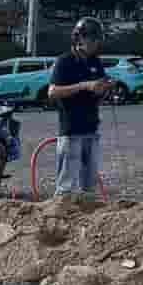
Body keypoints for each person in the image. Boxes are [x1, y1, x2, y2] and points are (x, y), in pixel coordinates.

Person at [44, 18, 113, 198]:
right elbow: (52, 92)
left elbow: (97, 92)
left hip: (91, 127)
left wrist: (103, 89)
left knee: (89, 187)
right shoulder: (64, 62)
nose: (96, 43)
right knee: (66, 186)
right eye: (93, 39)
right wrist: (84, 85)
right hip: (71, 129)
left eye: (98, 40)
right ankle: (59, 217)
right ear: (80, 39)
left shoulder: (95, 62)